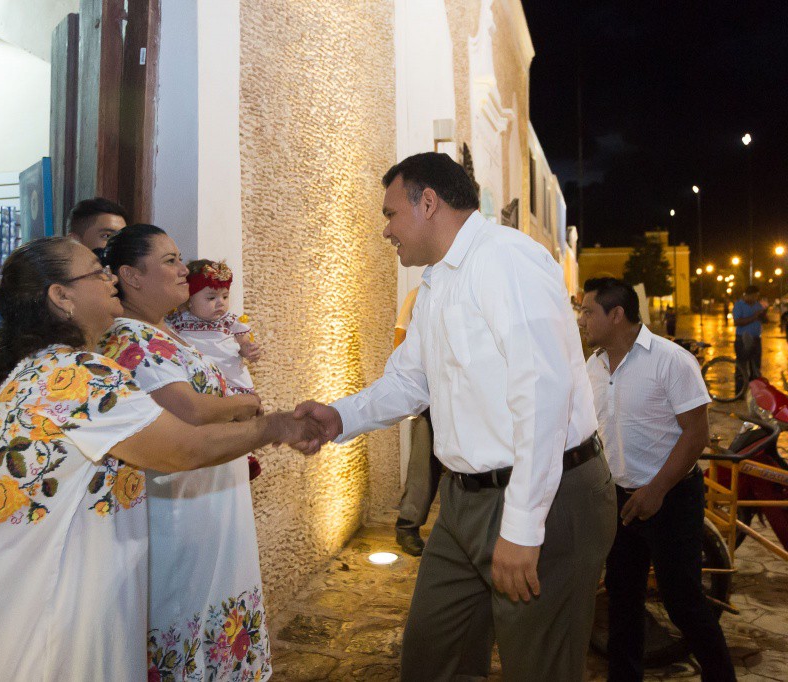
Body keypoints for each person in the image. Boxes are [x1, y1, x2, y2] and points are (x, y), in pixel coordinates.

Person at [0, 237, 320, 681]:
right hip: (33, 601)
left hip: (0, 589)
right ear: (61, 297)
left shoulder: (24, 366)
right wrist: (273, 427)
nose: (110, 278)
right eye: (96, 272)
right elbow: (182, 448)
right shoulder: (75, 374)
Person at [294, 152, 615, 681]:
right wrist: (338, 417)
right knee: (431, 657)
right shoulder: (437, 284)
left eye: (391, 214)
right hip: (464, 502)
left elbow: (543, 394)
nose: (386, 230)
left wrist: (522, 525)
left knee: (539, 669)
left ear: (428, 203)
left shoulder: (506, 260)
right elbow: (409, 382)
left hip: (546, 497)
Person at [100, 225, 273, 681]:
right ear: (131, 276)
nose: (184, 269)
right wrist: (247, 406)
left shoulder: (166, 331)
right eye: (171, 260)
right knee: (186, 609)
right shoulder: (129, 338)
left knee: (216, 604)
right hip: (180, 504)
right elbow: (190, 411)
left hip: (210, 495)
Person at [579, 277, 736, 682]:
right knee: (622, 598)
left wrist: (658, 489)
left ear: (616, 315)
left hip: (672, 498)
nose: (580, 319)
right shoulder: (592, 366)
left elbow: (696, 433)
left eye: (587, 310)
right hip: (620, 502)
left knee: (683, 601)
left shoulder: (671, 360)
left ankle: (721, 676)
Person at [167, 258, 264, 479]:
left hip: (232, 377)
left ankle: (246, 453)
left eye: (225, 296)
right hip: (204, 383)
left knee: (242, 417)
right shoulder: (178, 322)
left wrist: (248, 351)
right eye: (210, 298)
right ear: (189, 299)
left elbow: (245, 344)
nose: (220, 303)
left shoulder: (230, 322)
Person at [392, 286, 441, 556]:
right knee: (423, 463)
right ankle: (407, 526)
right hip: (428, 395)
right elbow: (400, 340)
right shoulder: (418, 294)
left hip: (462, 396)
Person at [732, 285, 766, 393]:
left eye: (757, 296)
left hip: (756, 339)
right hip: (743, 339)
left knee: (755, 367)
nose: (756, 298)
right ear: (748, 295)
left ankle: (754, 394)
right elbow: (737, 322)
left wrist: (764, 315)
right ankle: (740, 392)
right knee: (741, 366)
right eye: (755, 296)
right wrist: (755, 316)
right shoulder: (739, 305)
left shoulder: (758, 305)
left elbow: (764, 320)